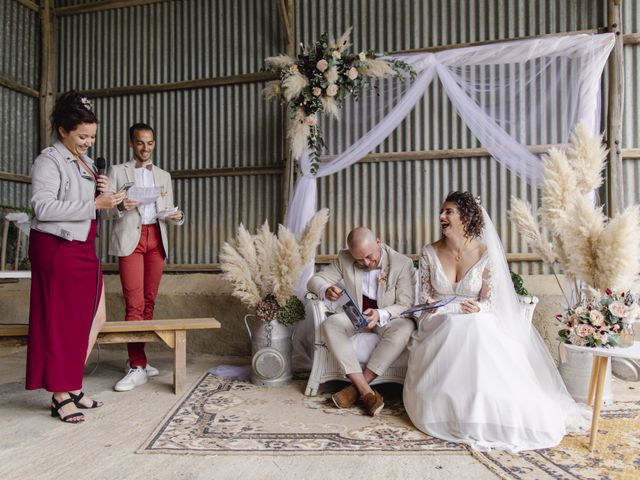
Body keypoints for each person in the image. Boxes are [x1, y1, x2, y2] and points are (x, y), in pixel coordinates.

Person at [403, 191, 589, 452]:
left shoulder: (486, 253)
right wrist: (436, 310)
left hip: (475, 316)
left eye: (449, 212)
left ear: (466, 217)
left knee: (476, 325)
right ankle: (448, 408)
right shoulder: (429, 252)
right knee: (456, 325)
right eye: (442, 211)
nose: (441, 216)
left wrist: (478, 307)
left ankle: (487, 408)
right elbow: (425, 298)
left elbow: (490, 301)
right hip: (437, 320)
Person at [26, 91, 126, 423]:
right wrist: (92, 204)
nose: (88, 142)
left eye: (92, 137)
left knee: (94, 319)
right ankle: (59, 394)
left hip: (82, 248)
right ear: (63, 130)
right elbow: (42, 207)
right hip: (58, 249)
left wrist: (111, 201)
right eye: (82, 136)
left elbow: (91, 213)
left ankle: (71, 384)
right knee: (63, 325)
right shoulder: (49, 160)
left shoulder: (83, 162)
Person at [105, 123, 184, 392]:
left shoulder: (164, 175)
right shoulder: (117, 171)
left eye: (150, 143)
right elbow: (103, 211)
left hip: (156, 239)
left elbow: (168, 209)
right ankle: (137, 365)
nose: (145, 148)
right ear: (131, 144)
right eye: (140, 143)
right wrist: (119, 206)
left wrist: (178, 217)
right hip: (131, 241)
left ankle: (139, 358)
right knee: (134, 303)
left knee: (149, 301)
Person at [307, 227, 415, 416]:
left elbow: (405, 305)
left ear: (378, 242)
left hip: (385, 318)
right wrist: (326, 289)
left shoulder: (401, 263)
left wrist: (381, 313)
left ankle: (354, 390)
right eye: (359, 260)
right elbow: (314, 280)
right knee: (330, 324)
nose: (366, 263)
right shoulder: (344, 258)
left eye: (369, 257)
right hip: (354, 317)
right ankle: (366, 392)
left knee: (405, 326)